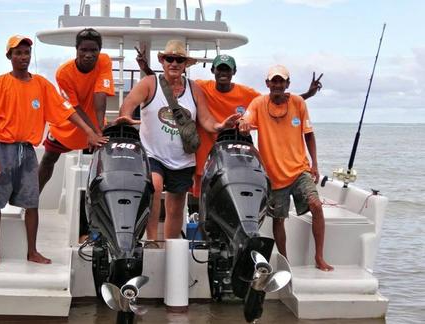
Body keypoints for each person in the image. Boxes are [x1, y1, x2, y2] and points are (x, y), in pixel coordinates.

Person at [0, 35, 107, 265]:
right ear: (9, 56)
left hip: (27, 151)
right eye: (17, 53)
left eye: (26, 52)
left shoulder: (41, 84)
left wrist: (89, 131)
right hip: (3, 149)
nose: (23, 57)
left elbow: (67, 111)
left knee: (32, 203)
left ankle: (32, 252)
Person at [135, 50, 323, 197]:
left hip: (233, 160)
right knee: (201, 200)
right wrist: (147, 71)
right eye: (220, 69)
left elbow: (276, 98)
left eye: (227, 69)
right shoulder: (201, 87)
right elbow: (168, 87)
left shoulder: (247, 94)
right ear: (213, 71)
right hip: (205, 156)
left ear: (233, 72)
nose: (223, 73)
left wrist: (307, 94)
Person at [116, 40, 240, 241]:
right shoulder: (149, 83)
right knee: (154, 188)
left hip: (182, 158)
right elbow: (129, 104)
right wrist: (126, 119)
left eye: (179, 60)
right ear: (162, 61)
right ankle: (152, 241)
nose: (174, 63)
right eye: (169, 59)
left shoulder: (194, 89)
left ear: (185, 65)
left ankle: (170, 248)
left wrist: (221, 126)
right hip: (153, 153)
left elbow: (206, 120)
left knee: (176, 206)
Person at [238, 65, 333, 271]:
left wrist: (315, 164)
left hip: (300, 170)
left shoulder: (298, 103)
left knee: (316, 205)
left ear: (287, 84)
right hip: (274, 176)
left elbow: (309, 133)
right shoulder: (259, 103)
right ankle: (285, 260)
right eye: (274, 81)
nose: (277, 85)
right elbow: (247, 117)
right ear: (267, 84)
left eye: (282, 81)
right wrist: (244, 123)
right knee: (278, 219)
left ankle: (319, 257)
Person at [38, 28, 115, 193]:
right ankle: (32, 199)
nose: (88, 54)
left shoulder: (104, 61)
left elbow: (100, 94)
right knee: (49, 158)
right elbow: (73, 107)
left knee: (104, 162)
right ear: (76, 50)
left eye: (93, 50)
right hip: (68, 123)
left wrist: (99, 128)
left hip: (94, 127)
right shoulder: (63, 73)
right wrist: (91, 131)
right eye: (84, 50)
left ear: (99, 51)